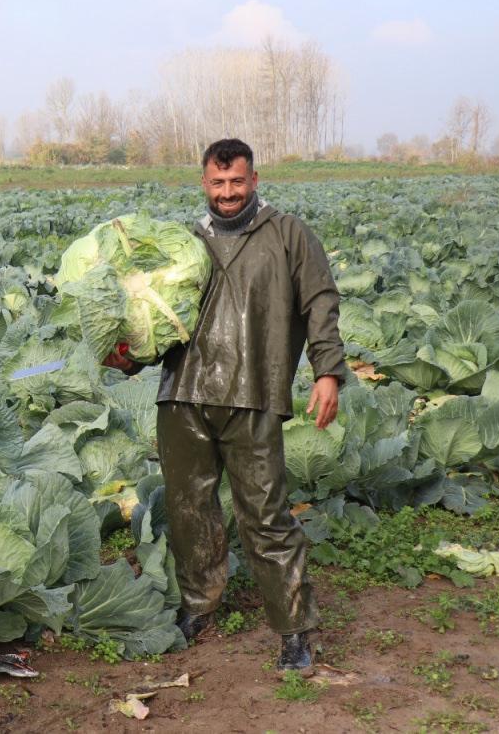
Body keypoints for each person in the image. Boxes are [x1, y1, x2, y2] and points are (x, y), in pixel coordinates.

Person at [104, 138, 344, 673]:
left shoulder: (287, 234)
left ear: (254, 180)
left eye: (237, 182)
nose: (228, 193)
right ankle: (199, 603)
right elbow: (157, 318)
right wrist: (128, 358)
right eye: (218, 183)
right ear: (204, 184)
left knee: (264, 512)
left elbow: (320, 301)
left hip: (254, 392)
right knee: (189, 509)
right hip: (183, 392)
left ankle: (294, 629)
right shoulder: (183, 244)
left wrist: (327, 371)